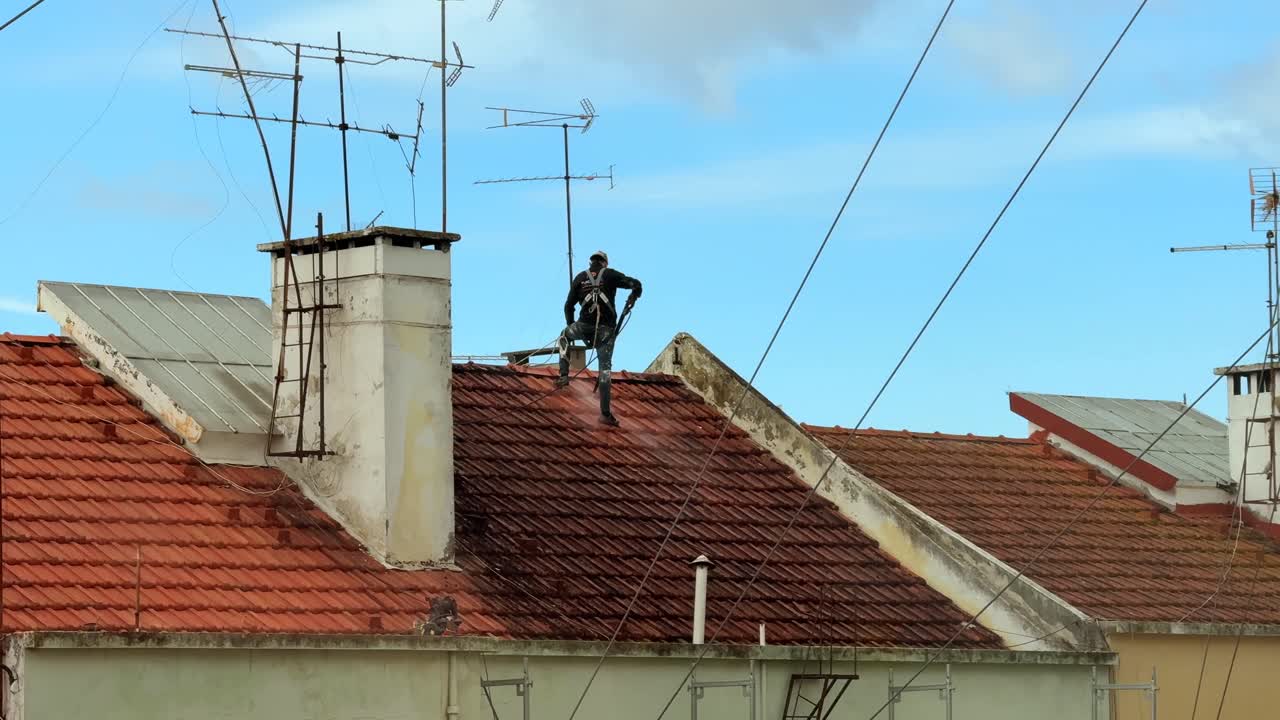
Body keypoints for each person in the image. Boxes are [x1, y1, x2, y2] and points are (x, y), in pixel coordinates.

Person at [556, 250, 642, 426]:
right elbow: (636, 283)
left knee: (564, 336)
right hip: (606, 331)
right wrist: (634, 295)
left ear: (591, 262)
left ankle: (563, 377)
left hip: (583, 326)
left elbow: (568, 306)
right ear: (605, 263)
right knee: (605, 370)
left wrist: (571, 325)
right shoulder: (610, 275)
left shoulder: (580, 277)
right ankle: (605, 414)